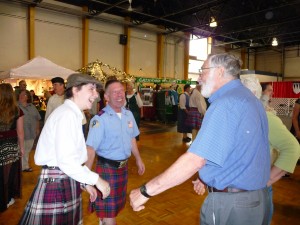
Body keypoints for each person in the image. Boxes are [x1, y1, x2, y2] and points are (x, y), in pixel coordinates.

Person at [130, 53, 271, 225]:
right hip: (255, 200)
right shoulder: (248, 99)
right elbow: (237, 151)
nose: (199, 77)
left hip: (232, 206)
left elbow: (194, 160)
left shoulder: (225, 104)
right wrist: (206, 177)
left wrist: (145, 191)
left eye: (203, 71)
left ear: (219, 71)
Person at [19, 73, 110, 224]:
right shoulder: (66, 115)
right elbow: (67, 161)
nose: (96, 95)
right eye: (91, 89)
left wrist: (85, 182)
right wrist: (96, 180)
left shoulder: (72, 114)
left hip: (63, 179)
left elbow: (68, 158)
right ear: (75, 90)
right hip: (57, 183)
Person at [241, 75, 300, 225]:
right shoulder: (240, 117)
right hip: (239, 189)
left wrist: (268, 180)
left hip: (256, 189)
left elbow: (292, 148)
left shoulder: (265, 118)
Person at [86, 79, 145, 225]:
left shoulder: (128, 115)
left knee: (114, 209)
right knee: (110, 214)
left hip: (123, 169)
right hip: (107, 170)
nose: (120, 95)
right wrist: (86, 176)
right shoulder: (99, 119)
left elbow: (132, 138)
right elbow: (91, 149)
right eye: (115, 92)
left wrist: (138, 159)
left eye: (122, 91)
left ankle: (103, 220)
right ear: (106, 97)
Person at [0, 83, 24, 212]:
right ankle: (7, 199)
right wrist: (22, 148)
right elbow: (20, 132)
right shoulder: (17, 110)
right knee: (9, 174)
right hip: (11, 145)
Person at [17, 90, 41, 172]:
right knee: (20, 150)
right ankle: (22, 166)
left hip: (31, 133)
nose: (21, 96)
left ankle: (24, 166)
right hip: (21, 133)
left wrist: (37, 128)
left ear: (27, 97)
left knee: (27, 150)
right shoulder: (16, 106)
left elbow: (37, 118)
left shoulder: (32, 106)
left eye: (23, 95)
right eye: (20, 94)